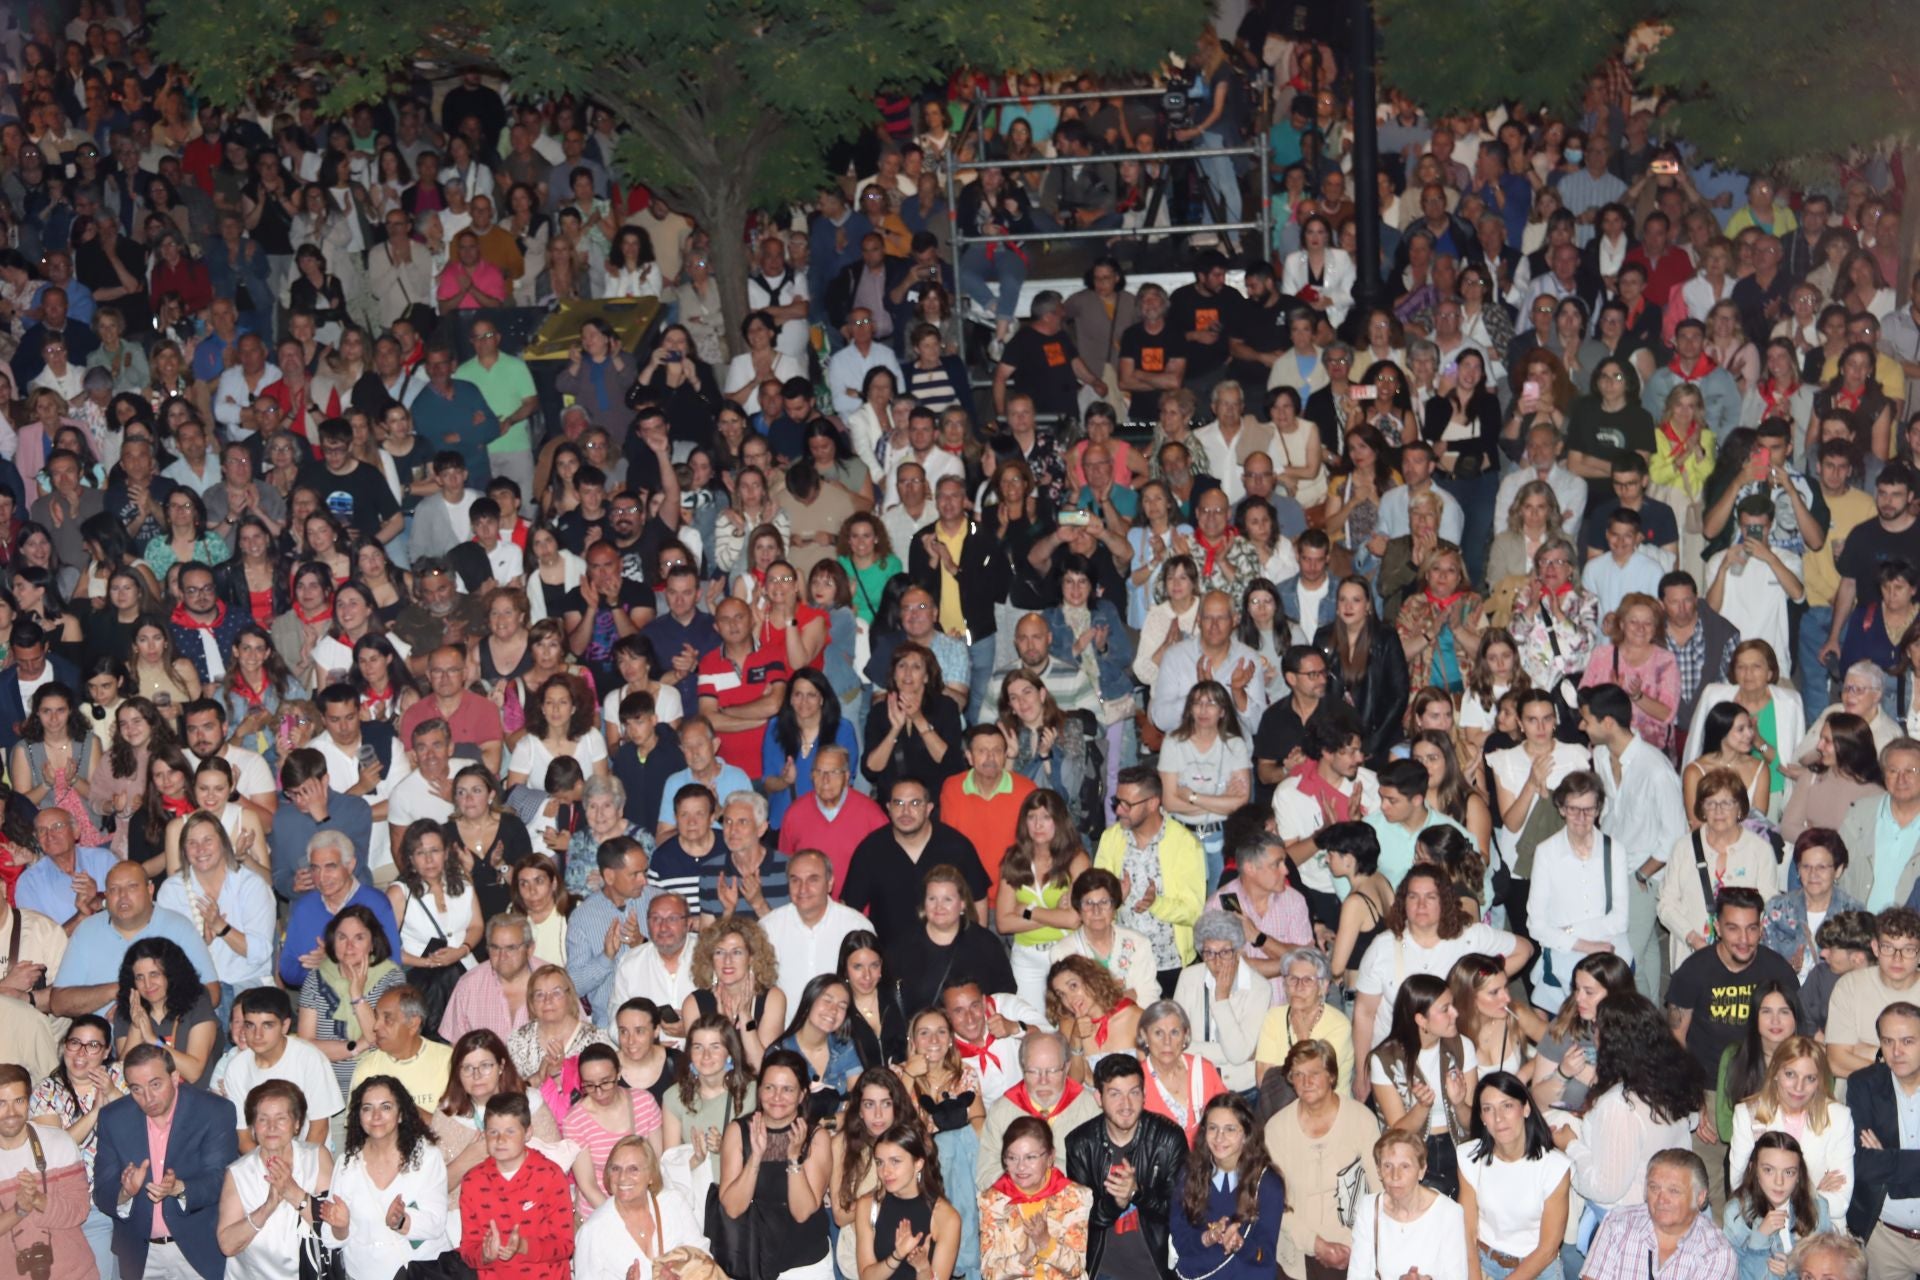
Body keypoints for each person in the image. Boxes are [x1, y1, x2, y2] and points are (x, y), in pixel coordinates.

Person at [1351, 864, 1530, 1087]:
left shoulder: (1469, 938)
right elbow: (1364, 1012)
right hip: (1397, 1065)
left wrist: (1481, 983)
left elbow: (1524, 950)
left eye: (1430, 897)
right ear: (1403, 902)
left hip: (1452, 1061)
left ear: (1444, 901)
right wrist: (1362, 1073)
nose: (1421, 905)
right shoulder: (1382, 947)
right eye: (1413, 897)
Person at [91, 1043, 240, 1280]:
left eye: (155, 1085)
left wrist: (180, 1188)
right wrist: (125, 1193)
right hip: (140, 1254)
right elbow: (102, 1191)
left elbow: (221, 1180)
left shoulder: (213, 1111)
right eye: (136, 1089)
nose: (147, 1098)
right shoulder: (114, 1118)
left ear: (175, 1077)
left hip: (200, 1248)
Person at [1062, 1053, 1185, 1280]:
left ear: (1144, 1095)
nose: (1126, 1104)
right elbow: (1079, 1222)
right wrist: (1114, 1203)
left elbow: (1180, 1213)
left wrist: (1137, 1193)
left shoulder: (1168, 1139)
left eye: (1134, 1093)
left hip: (1157, 1269)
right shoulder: (1081, 1144)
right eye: (1115, 1094)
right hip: (1103, 1269)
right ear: (1098, 1097)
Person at [716, 1048, 834, 1280]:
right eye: (769, 1088)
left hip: (807, 1265)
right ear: (759, 1091)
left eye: (787, 1089)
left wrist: (793, 1158)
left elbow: (802, 1212)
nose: (777, 1097)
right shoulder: (738, 1131)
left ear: (801, 1095)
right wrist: (756, 1157)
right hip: (752, 1262)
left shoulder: (815, 1137)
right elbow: (732, 1207)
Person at [322, 1075, 453, 1279]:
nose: (376, 1116)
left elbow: (436, 1223)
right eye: (367, 1108)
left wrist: (402, 1221)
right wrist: (341, 1226)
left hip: (421, 1272)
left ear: (400, 1114)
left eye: (385, 1107)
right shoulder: (347, 1163)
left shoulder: (426, 1156)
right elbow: (331, 1238)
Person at [1527, 769, 1634, 1010]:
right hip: (1566, 958)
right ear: (1562, 809)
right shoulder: (1546, 852)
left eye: (1588, 810)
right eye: (1573, 809)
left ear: (1598, 810)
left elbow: (1620, 920)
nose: (1581, 818)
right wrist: (1587, 945)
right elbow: (1536, 926)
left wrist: (1570, 930)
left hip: (1611, 953)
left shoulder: (1614, 849)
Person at [1659, 773, 1784, 968]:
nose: (1718, 810)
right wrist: (1692, 938)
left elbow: (1769, 905)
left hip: (1743, 959)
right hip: (1692, 956)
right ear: (1701, 808)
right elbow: (1666, 904)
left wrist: (1741, 942)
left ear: (1740, 808)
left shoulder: (1760, 851)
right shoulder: (1683, 848)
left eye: (1727, 803)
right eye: (1710, 803)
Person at [214, 1078, 333, 1280]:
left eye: (281, 1119)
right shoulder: (238, 1172)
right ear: (252, 1127)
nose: (271, 1127)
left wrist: (293, 1192)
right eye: (262, 1119)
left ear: (296, 1124)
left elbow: (335, 1227)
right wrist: (267, 1207)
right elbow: (227, 1245)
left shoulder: (317, 1157)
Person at [1726, 1036, 1854, 1222]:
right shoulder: (1747, 1114)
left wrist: (1774, 1197)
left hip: (1819, 1236)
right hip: (1765, 1234)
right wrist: (1813, 1194)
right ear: (1776, 1072)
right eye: (1790, 1074)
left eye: (1810, 1078)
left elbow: (1840, 1204)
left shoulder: (1839, 1117)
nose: (1798, 1087)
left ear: (1819, 1081)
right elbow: (1740, 1194)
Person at [1166, 1093, 1285, 1280]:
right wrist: (1206, 1238)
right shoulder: (1189, 1173)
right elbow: (1180, 1240)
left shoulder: (1267, 1185)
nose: (1219, 1138)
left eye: (1230, 1129)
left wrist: (1240, 1245)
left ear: (1246, 1134)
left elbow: (1265, 1256)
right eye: (1213, 1128)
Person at [0, 1061, 95, 1280]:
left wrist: (39, 1199)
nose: (11, 1112)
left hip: (76, 1273)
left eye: (19, 1101)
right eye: (1, 1103)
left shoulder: (58, 1142)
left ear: (30, 1100)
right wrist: (19, 1210)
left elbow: (79, 1210)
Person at [571, 1134, 708, 1280]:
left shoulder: (674, 1204)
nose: (622, 1177)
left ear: (651, 1175)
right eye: (616, 1169)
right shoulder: (593, 1231)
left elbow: (704, 1261)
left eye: (633, 1169)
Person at [219, 988, 344, 1148]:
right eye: (250, 1025)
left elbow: (319, 1128)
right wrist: (267, 1168)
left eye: (267, 1025)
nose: (257, 1035)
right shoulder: (237, 1067)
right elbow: (243, 1137)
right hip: (261, 1161)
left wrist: (297, 1168)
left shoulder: (309, 1058)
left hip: (309, 1159)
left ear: (285, 1026)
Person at [979, 1113, 1093, 1280]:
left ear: (1050, 1158)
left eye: (1030, 1157)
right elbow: (988, 1273)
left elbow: (1076, 1268)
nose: (1020, 1167)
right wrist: (1024, 1256)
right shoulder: (992, 1200)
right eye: (1012, 1158)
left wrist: (1046, 1242)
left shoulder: (1074, 1197)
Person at [1346, 1129, 1470, 1280]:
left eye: (1405, 1166)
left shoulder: (1449, 1213)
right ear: (1378, 1170)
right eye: (1387, 1166)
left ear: (1422, 1170)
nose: (1395, 1176)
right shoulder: (1368, 1208)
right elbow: (1357, 1276)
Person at [1824, 906, 1920, 1078]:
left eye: (1908, 950)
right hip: (1858, 1098)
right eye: (1888, 947)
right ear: (1875, 948)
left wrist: (1869, 1051)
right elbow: (1836, 1062)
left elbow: (1847, 1059)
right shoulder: (1849, 987)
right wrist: (1891, 1062)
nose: (1897, 958)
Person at [1720, 1131, 1831, 1280]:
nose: (1779, 1182)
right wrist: (1760, 1239)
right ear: (1753, 1169)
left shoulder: (1817, 1209)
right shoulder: (1736, 1212)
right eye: (1768, 1170)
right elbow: (1732, 1275)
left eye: (1789, 1172)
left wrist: (1795, 1273)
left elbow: (1830, 1270)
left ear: (1799, 1176)